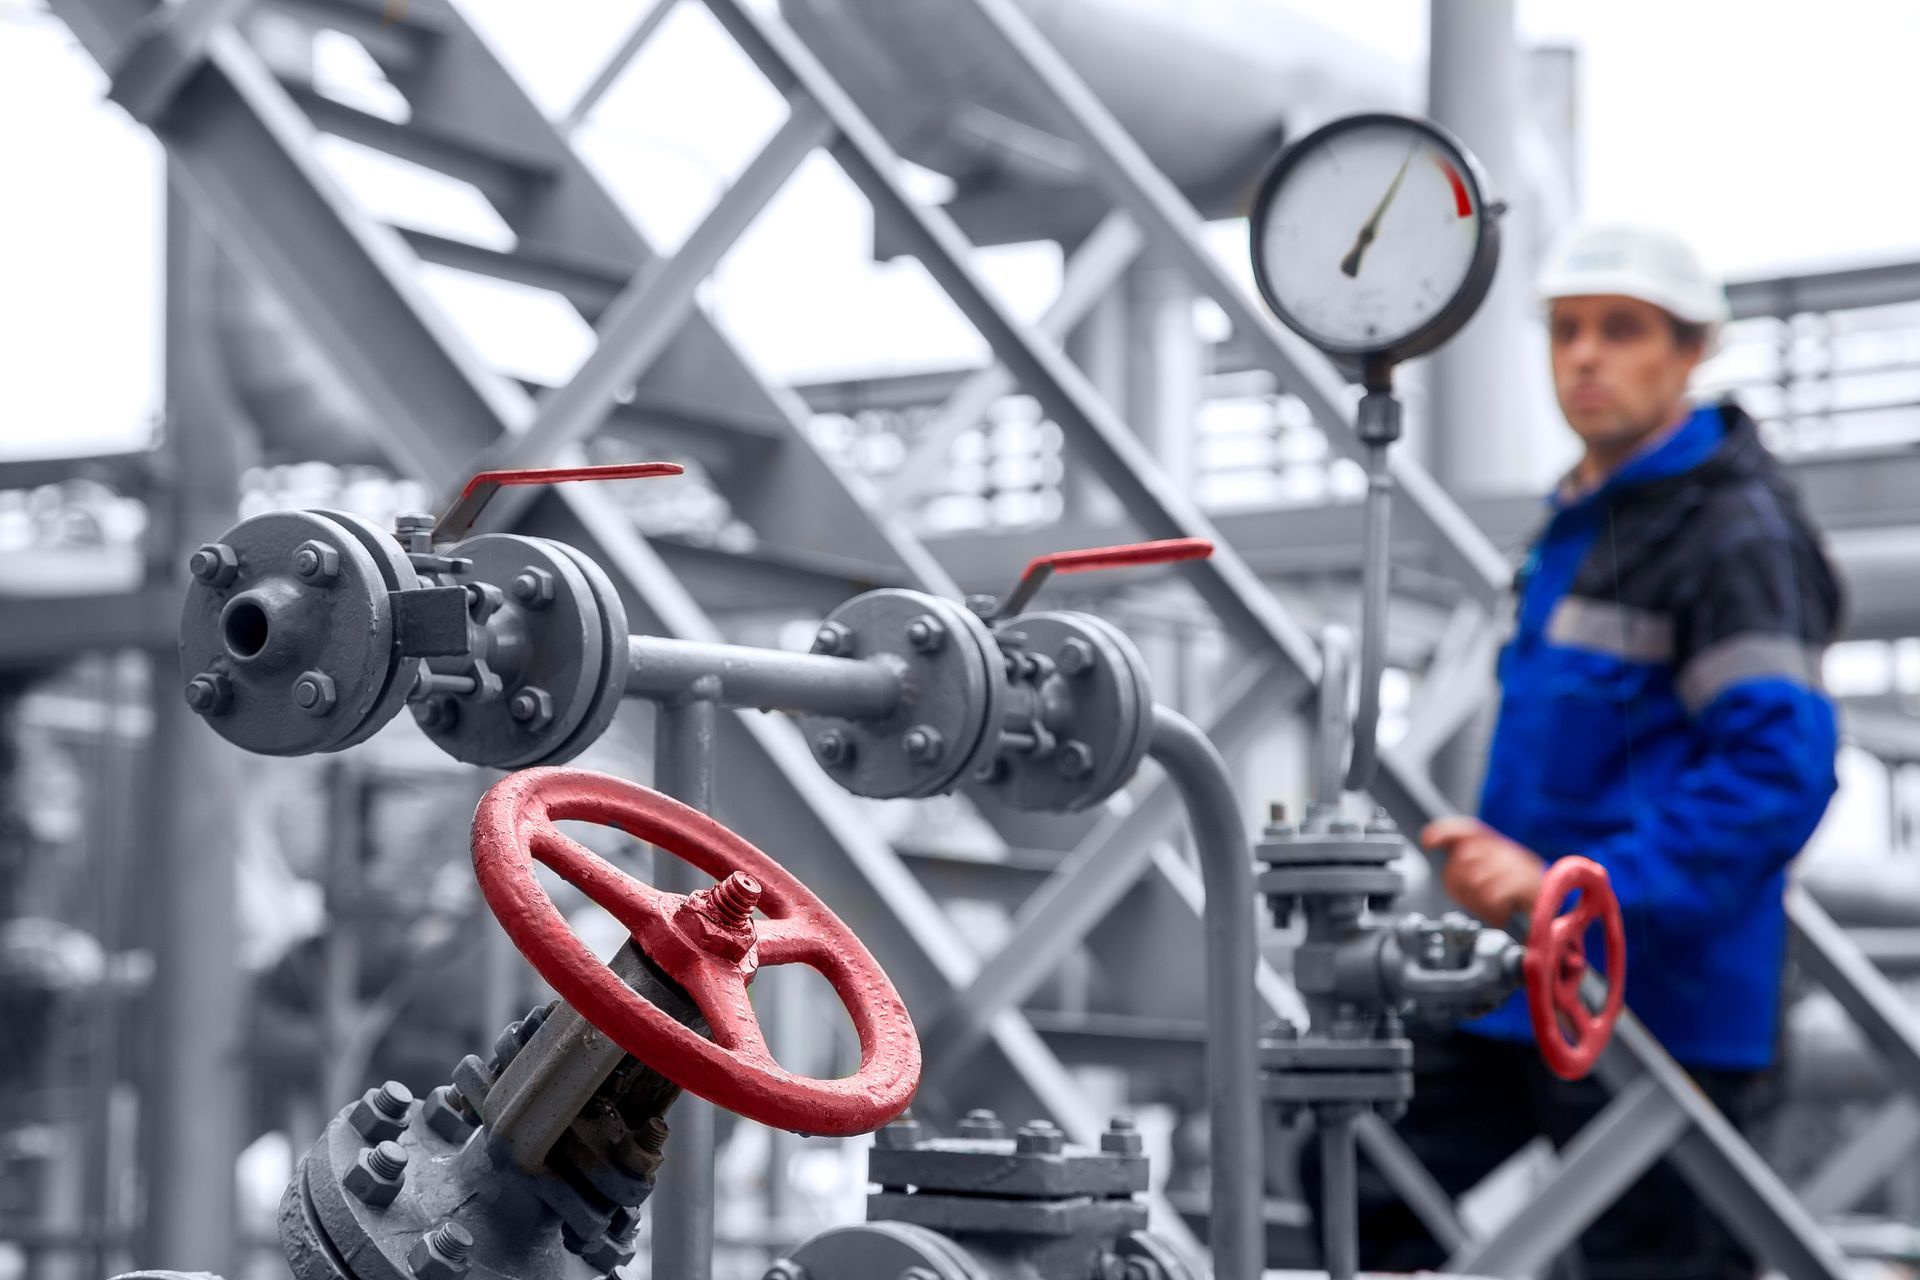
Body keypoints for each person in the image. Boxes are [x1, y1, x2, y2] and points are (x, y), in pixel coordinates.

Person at [1339, 224, 1845, 1280]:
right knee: (1354, 1161)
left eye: (1622, 331)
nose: (1585, 357)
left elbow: (1776, 773)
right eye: (1567, 330)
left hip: (1667, 1004)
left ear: (1691, 351)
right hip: (1530, 979)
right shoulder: (1579, 519)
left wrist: (1575, 888)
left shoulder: (1733, 533)